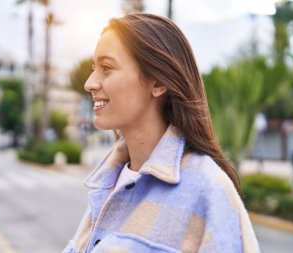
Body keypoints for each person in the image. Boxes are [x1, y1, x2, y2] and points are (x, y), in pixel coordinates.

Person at [63, 13, 259, 253]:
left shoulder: (207, 190)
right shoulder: (107, 184)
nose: (90, 83)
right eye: (94, 68)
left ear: (157, 82)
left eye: (107, 68)